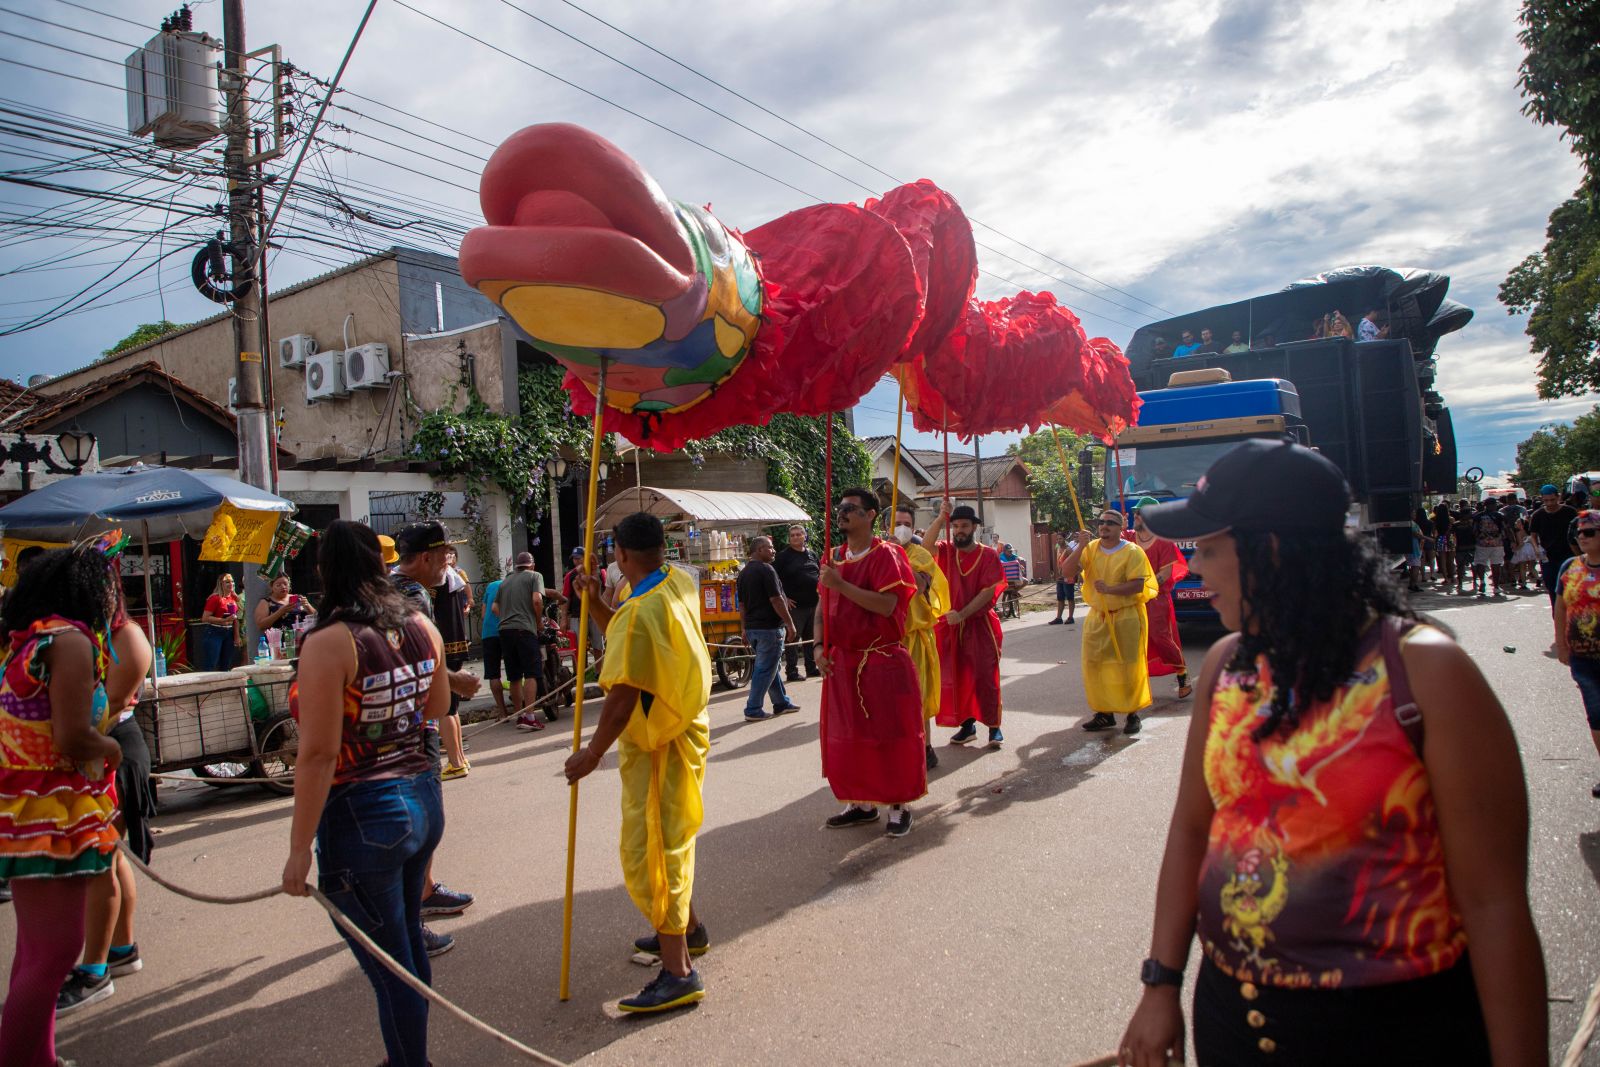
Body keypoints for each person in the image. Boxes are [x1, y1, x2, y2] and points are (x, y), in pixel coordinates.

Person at [1117, 438, 1547, 1067]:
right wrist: (1161, 985)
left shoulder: (1424, 670)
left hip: (1394, 1035)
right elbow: (1192, 829)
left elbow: (1495, 904)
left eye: (1208, 548)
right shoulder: (1226, 667)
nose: (1195, 566)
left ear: (1269, 550)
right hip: (1233, 1018)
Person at [281, 520, 452, 1067]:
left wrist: (296, 850)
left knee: (391, 962)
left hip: (363, 813)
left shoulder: (329, 641)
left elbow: (317, 754)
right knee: (403, 949)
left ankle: (411, 1061)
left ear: (325, 570)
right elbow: (437, 708)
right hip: (422, 798)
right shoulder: (423, 625)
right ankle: (410, 1054)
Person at [563, 512, 713, 1013]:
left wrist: (591, 753)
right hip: (683, 727)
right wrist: (596, 603)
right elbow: (628, 640)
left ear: (620, 556)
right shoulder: (677, 582)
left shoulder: (638, 609)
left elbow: (623, 693)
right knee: (671, 840)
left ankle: (678, 973)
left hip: (658, 744)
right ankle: (687, 929)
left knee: (654, 852)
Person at [0, 543, 123, 1067]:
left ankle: (37, 1056)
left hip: (28, 808)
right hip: (46, 811)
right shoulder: (69, 642)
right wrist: (112, 748)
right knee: (54, 953)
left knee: (34, 950)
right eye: (110, 586)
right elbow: (72, 737)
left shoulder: (29, 641)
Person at [58, 572, 155, 1016]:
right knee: (112, 860)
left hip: (115, 748)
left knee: (102, 862)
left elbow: (108, 708)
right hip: (97, 751)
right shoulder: (85, 636)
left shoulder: (127, 636)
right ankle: (121, 949)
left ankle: (96, 968)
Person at [388, 522, 481, 954]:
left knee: (420, 822)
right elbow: (412, 662)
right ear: (425, 557)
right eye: (444, 553)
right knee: (422, 823)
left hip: (403, 720)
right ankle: (410, 918)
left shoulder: (392, 588)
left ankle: (423, 893)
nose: (448, 561)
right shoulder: (413, 595)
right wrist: (455, 682)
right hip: (413, 723)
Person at [815, 488, 926, 837]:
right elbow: (822, 607)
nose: (842, 513)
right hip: (842, 662)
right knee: (849, 737)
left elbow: (887, 606)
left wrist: (841, 585)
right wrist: (818, 647)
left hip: (881, 659)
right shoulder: (832, 557)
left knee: (891, 736)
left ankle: (898, 805)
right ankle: (860, 802)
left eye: (851, 508)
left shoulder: (888, 555)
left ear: (870, 516)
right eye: (840, 508)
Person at [1062, 510, 1158, 735]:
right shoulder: (1091, 548)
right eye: (1101, 522)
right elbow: (1067, 572)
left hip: (1127, 616)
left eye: (1110, 523)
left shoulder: (1132, 551)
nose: (1104, 526)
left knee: (1128, 666)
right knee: (1096, 665)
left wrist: (1110, 589)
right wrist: (1079, 548)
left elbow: (1137, 585)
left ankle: (1132, 714)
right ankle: (1104, 713)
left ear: (1120, 528)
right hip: (1098, 617)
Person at [934, 504, 1006, 747]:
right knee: (956, 675)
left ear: (974, 526)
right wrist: (939, 519)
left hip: (980, 625)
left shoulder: (988, 555)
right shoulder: (946, 550)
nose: (959, 531)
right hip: (951, 626)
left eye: (964, 526)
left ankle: (994, 727)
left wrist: (963, 614)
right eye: (954, 526)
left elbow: (988, 592)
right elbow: (924, 548)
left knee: (985, 676)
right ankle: (967, 725)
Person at [893, 502, 950, 770]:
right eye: (897, 523)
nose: (901, 528)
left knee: (919, 696)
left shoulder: (920, 555)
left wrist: (894, 556)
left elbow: (917, 583)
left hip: (915, 636)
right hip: (887, 639)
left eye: (906, 523)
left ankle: (925, 746)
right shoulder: (877, 551)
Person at [1554, 509, 1600, 799]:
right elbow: (1560, 607)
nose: (1581, 537)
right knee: (1596, 714)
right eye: (1579, 533)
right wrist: (1561, 644)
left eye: (1589, 532)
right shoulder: (1570, 567)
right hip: (1583, 657)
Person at [1129, 498, 1192, 698]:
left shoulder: (1163, 541)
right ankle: (1136, 682)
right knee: (1132, 638)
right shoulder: (1127, 538)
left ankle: (1182, 674)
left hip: (1156, 597)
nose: (1135, 516)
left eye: (1140, 513)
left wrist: (1146, 588)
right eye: (1135, 512)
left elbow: (1165, 573)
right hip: (1130, 597)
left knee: (1160, 636)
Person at [736, 535, 802, 722]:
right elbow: (776, 599)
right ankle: (753, 708)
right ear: (759, 550)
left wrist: (744, 628)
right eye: (770, 547)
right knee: (765, 669)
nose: (773, 550)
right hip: (769, 628)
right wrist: (789, 623)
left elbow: (742, 605)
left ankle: (781, 702)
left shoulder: (744, 573)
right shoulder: (766, 570)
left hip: (753, 628)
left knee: (769, 666)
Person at [493, 552, 546, 732]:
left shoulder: (506, 581)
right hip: (524, 630)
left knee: (514, 676)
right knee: (531, 673)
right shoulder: (535, 576)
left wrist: (508, 617)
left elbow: (494, 607)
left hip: (505, 631)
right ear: (531, 565)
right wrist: (538, 622)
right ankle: (530, 716)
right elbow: (537, 600)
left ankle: (519, 714)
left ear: (517, 566)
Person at [773, 524, 821, 682]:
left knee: (810, 638)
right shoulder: (783, 557)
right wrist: (784, 597)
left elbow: (819, 574)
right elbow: (774, 579)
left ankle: (811, 667)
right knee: (792, 638)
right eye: (792, 535)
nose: (795, 537)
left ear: (804, 536)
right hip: (794, 606)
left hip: (813, 604)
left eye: (798, 534)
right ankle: (792, 671)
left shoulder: (812, 555)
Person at [1530, 484, 1578, 610]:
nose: (1550, 503)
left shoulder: (1570, 512)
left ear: (1558, 497)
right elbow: (1533, 535)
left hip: (1568, 556)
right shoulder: (1538, 515)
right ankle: (1558, 619)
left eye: (1552, 500)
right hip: (1548, 558)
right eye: (1546, 501)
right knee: (1552, 589)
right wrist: (1536, 548)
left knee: (1569, 588)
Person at [254, 574, 316, 644]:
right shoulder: (266, 602)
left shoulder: (298, 598)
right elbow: (261, 625)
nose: (283, 587)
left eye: (285, 584)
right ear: (272, 587)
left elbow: (317, 617)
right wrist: (281, 611)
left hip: (302, 639)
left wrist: (307, 605)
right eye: (278, 585)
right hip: (280, 642)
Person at [480, 569, 508, 718]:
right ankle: (519, 711)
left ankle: (503, 712)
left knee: (493, 674)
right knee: (514, 674)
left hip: (488, 633)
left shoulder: (490, 586)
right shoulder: (511, 586)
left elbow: (484, 614)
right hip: (508, 630)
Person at [198, 573, 240, 670]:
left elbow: (236, 619)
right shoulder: (215, 598)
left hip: (229, 632)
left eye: (232, 581)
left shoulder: (233, 598)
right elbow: (205, 618)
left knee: (226, 664)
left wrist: (237, 636)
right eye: (227, 582)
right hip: (214, 631)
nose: (231, 584)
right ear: (221, 584)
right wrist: (224, 620)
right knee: (211, 663)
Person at [1472, 498, 1506, 599]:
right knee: (1496, 564)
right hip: (1497, 544)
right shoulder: (1499, 515)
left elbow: (1474, 530)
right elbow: (1505, 529)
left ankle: (1482, 581)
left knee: (1480, 563)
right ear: (1493, 505)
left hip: (1482, 543)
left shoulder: (1478, 516)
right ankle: (1496, 586)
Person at [1050, 532, 1078, 625]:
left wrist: (1073, 574)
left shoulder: (1069, 550)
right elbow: (1057, 562)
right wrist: (1056, 574)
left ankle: (1070, 617)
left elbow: (1075, 562)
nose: (1058, 541)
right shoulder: (1057, 548)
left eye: (1060, 539)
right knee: (1060, 598)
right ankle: (1059, 618)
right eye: (1057, 539)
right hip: (1060, 577)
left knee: (1070, 597)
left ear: (1064, 539)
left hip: (1068, 577)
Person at [1452, 501, 1477, 595]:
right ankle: (1474, 582)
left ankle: (1460, 583)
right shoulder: (1473, 523)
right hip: (1472, 547)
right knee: (1473, 566)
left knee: (1460, 567)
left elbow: (1451, 535)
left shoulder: (1456, 524)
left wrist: (1453, 546)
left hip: (1460, 548)